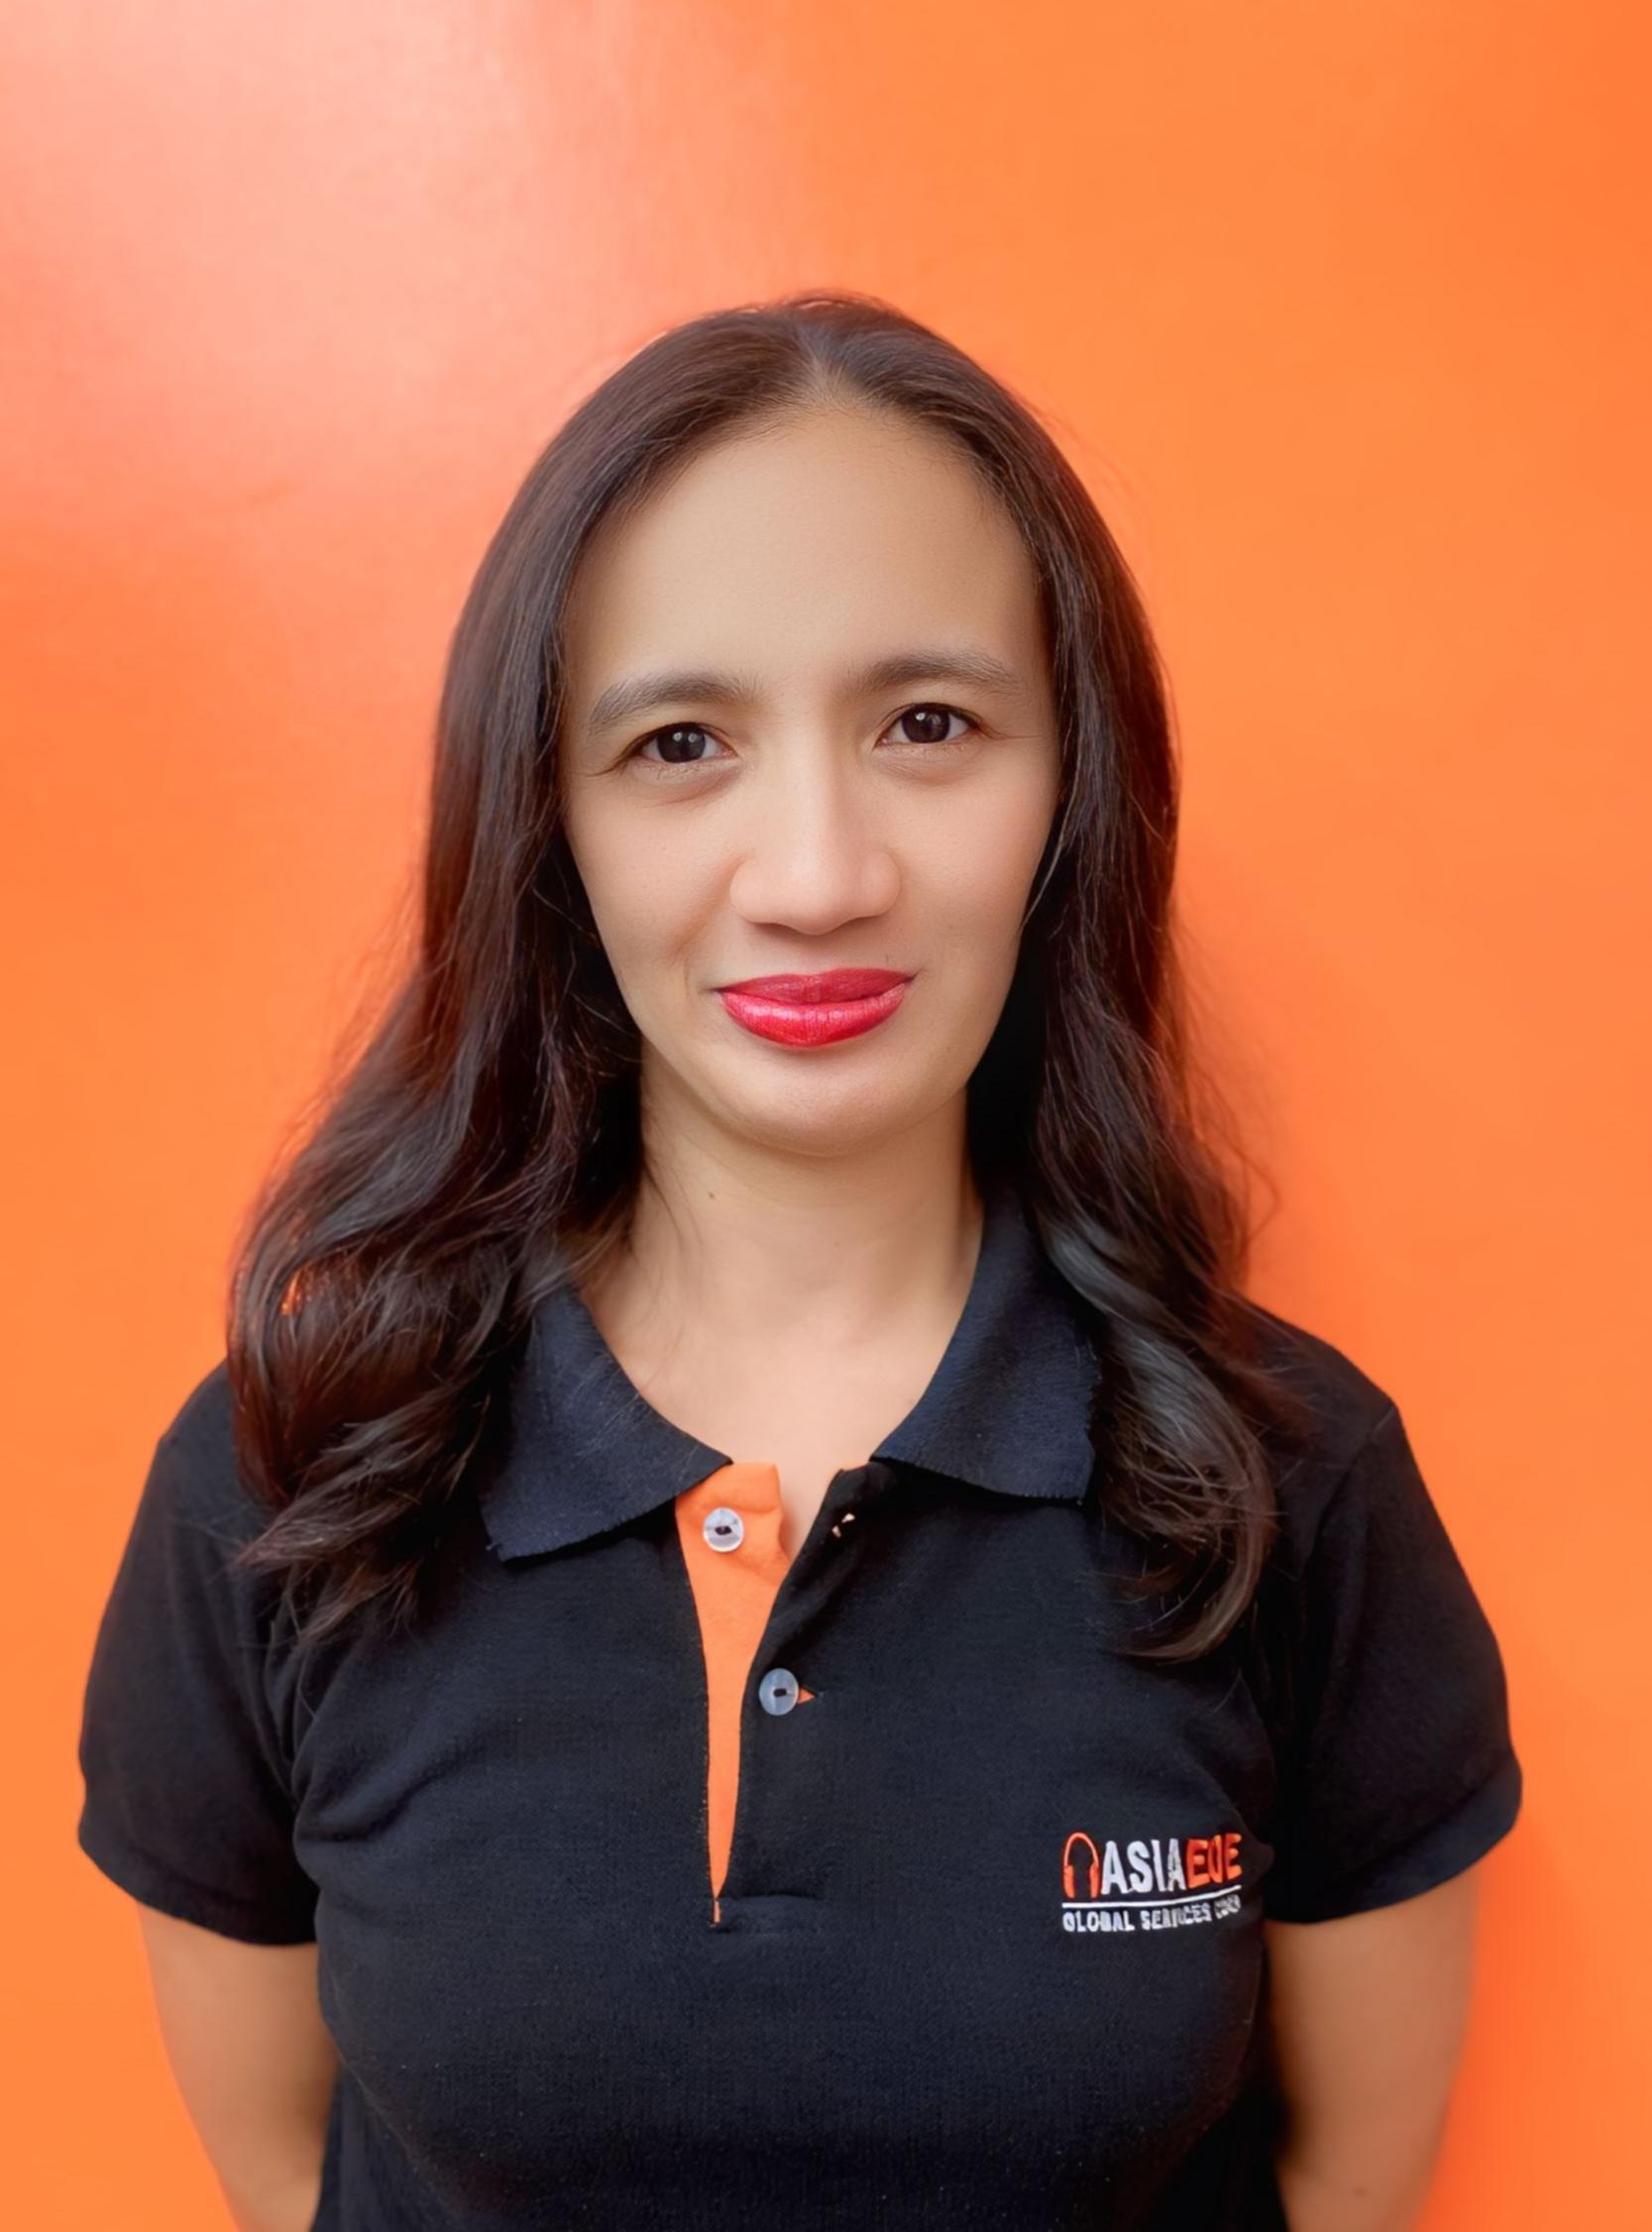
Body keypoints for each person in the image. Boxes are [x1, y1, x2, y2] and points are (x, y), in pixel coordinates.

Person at [76, 290, 1523, 2232]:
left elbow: (1349, 2180)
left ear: (1070, 787)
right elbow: (292, 2171)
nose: (821, 872)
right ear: (549, 823)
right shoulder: (287, 1480)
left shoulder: (1295, 1480)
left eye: (930, 725)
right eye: (680, 743)